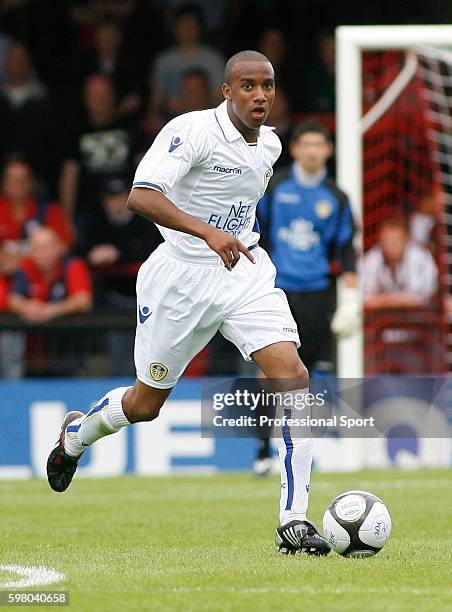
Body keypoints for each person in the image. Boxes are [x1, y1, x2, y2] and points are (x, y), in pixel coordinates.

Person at [46, 50, 330, 557]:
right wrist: (207, 232)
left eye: (267, 85)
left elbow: (238, 208)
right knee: (145, 404)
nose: (259, 95)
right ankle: (76, 435)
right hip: (180, 279)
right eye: (247, 86)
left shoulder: (270, 145)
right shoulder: (191, 131)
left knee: (292, 375)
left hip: (243, 270)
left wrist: (230, 238)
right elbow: (141, 195)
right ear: (227, 91)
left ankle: (294, 520)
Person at [255, 120, 359, 474]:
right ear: (295, 149)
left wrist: (349, 299)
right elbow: (258, 233)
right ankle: (262, 451)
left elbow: (346, 248)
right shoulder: (276, 187)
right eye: (307, 144)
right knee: (269, 371)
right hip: (278, 290)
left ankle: (305, 448)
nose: (313, 150)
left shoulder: (337, 197)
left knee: (311, 373)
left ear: (328, 150)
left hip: (318, 293)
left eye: (320, 144)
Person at [84, 176, 162, 375]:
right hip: (113, 299)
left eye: (119, 197)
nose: (115, 202)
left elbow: (154, 252)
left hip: (148, 300)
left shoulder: (145, 221)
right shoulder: (96, 222)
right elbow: (81, 251)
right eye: (110, 197)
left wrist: (118, 255)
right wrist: (91, 255)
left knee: (152, 355)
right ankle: (121, 398)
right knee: (117, 355)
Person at [363, 216, 438, 309]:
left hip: (418, 316)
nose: (390, 246)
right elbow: (365, 298)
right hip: (382, 317)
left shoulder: (420, 256)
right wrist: (398, 300)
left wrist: (383, 300)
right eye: (386, 241)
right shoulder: (372, 258)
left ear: (406, 240)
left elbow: (421, 297)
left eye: (395, 241)